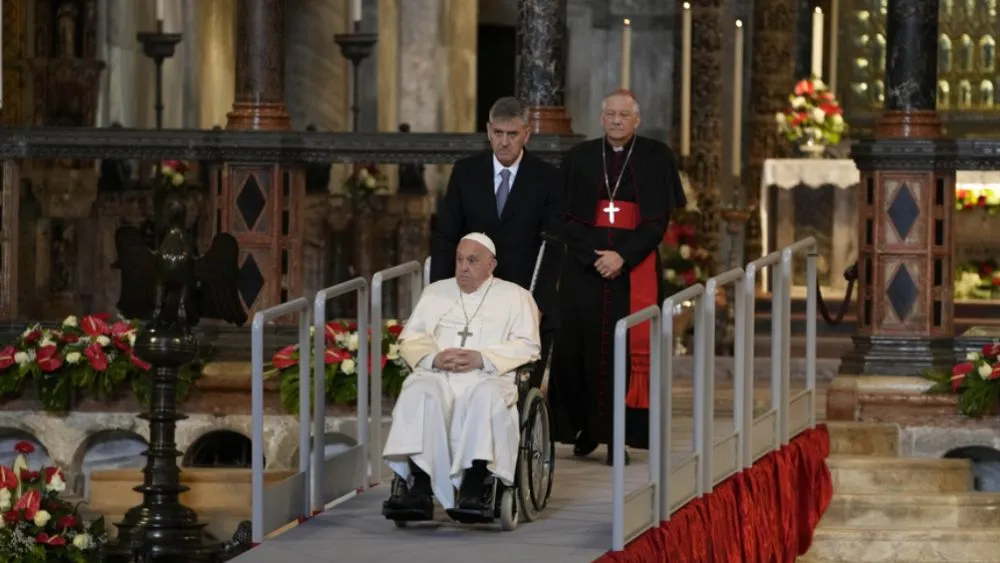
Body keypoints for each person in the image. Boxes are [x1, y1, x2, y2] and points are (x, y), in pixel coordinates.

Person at [548, 89, 686, 465]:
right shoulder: (580, 157)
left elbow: (658, 220)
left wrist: (622, 256)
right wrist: (593, 256)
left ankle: (619, 438)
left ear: (636, 120)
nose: (616, 120)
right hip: (585, 269)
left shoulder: (657, 157)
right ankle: (583, 430)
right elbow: (566, 218)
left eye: (624, 115)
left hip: (633, 271)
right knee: (577, 350)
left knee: (622, 354)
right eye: (610, 113)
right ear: (601, 117)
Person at [382, 233, 541, 520]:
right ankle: (420, 488)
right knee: (418, 389)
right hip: (439, 375)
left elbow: (529, 345)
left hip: (487, 377)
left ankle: (473, 486)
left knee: (485, 396)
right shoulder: (435, 293)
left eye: (472, 261)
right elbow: (411, 338)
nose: (463, 267)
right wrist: (434, 357)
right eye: (459, 259)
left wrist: (483, 358)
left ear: (491, 265)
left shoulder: (516, 296)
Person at [430, 96, 563, 379]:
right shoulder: (466, 172)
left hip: (523, 299)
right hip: (470, 300)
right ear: (488, 131)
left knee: (519, 388)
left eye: (512, 134)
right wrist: (440, 295)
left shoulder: (548, 178)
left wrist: (538, 305)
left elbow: (554, 247)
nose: (504, 142)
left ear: (527, 134)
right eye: (498, 133)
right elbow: (446, 236)